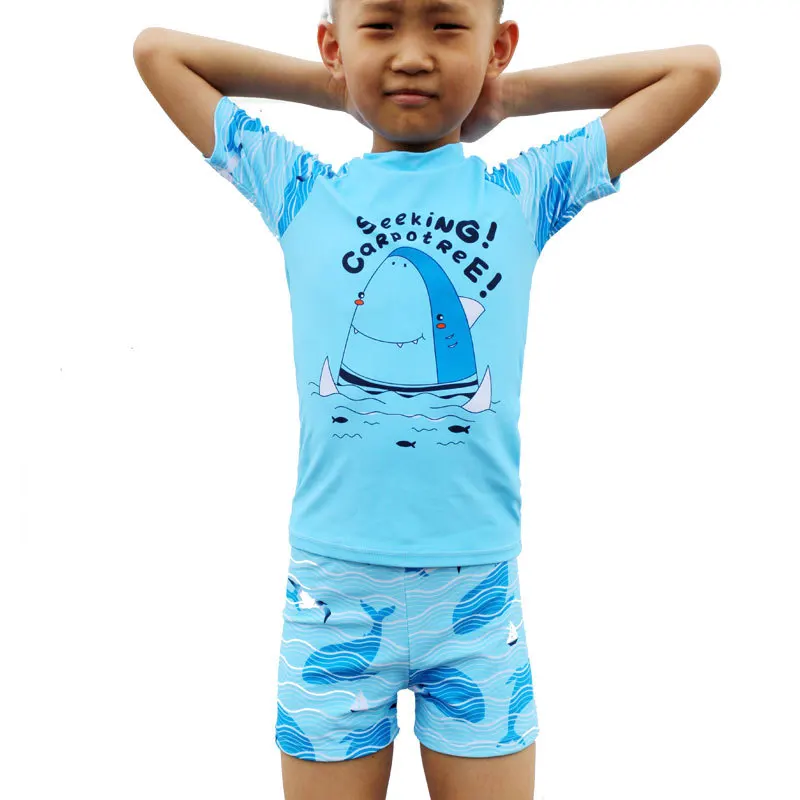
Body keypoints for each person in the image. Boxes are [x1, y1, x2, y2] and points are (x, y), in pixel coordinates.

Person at [132, 2, 721, 797]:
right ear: (333, 42)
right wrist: (336, 86)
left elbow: (694, 70)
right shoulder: (301, 190)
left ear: (498, 45)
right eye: (381, 26)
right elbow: (157, 51)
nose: (412, 55)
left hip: (476, 599)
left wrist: (508, 95)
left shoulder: (523, 192)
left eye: (446, 26)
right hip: (332, 596)